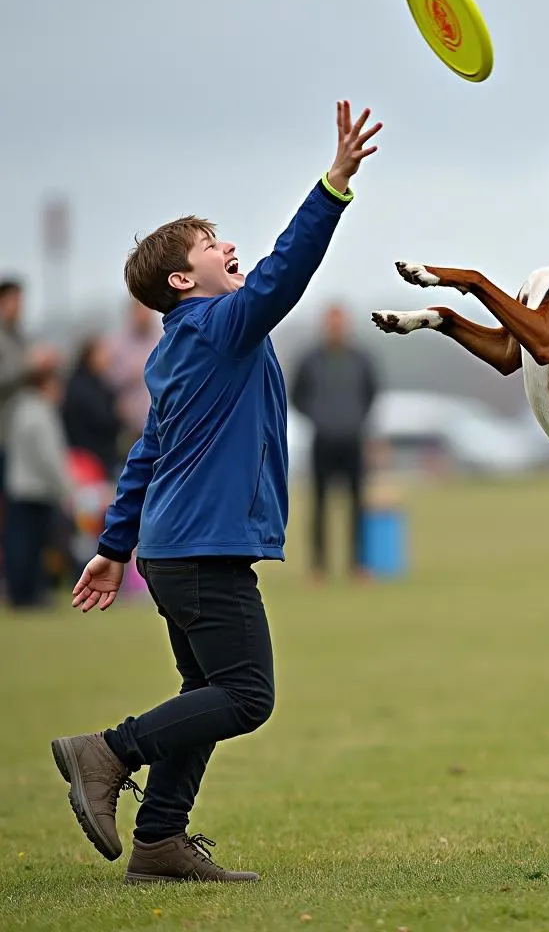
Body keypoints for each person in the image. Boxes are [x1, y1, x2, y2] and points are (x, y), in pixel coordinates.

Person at [50, 100, 381, 884]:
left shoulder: (180, 350)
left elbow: (144, 458)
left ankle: (160, 840)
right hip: (200, 552)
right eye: (211, 245)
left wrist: (110, 548)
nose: (228, 246)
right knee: (245, 694)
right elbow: (281, 274)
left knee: (205, 689)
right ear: (181, 279)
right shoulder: (217, 326)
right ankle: (105, 753)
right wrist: (332, 185)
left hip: (175, 549)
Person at [290, 303, 379, 582]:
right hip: (323, 441)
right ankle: (318, 567)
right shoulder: (311, 359)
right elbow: (296, 395)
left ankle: (358, 565)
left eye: (340, 322)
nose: (336, 327)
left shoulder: (361, 359)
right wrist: (318, 417)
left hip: (353, 440)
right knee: (319, 505)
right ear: (325, 325)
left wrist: (356, 419)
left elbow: (372, 393)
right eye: (332, 322)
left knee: (357, 505)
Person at [4, 363, 73, 609]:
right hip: (35, 490)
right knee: (29, 546)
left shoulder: (21, 408)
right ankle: (28, 595)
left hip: (22, 488)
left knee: (21, 543)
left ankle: (22, 593)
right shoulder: (40, 412)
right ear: (46, 384)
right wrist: (67, 488)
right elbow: (49, 457)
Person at [105, 298, 161, 457]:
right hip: (131, 426)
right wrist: (132, 372)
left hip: (161, 421)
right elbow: (109, 380)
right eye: (140, 313)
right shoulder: (117, 344)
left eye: (148, 312)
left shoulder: (161, 338)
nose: (145, 317)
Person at [62, 335, 124, 478]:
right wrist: (117, 415)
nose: (107, 358)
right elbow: (103, 419)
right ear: (90, 357)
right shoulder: (83, 387)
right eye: (102, 353)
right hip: (90, 458)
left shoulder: (95, 383)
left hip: (94, 455)